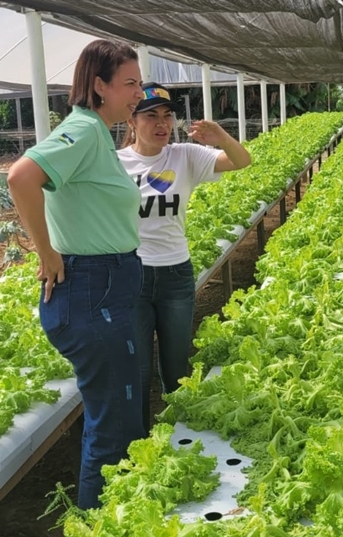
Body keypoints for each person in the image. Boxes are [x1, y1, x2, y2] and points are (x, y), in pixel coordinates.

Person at [7, 40, 146, 510]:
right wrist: (45, 253)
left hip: (105, 288)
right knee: (111, 424)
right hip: (92, 291)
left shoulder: (99, 135)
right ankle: (97, 532)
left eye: (139, 82)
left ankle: (116, 518)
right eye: (130, 83)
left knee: (120, 413)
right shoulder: (84, 130)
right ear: (98, 85)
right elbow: (21, 177)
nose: (138, 93)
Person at [117, 82, 251, 431]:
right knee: (139, 367)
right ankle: (142, 440)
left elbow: (242, 161)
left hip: (175, 273)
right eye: (151, 116)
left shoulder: (185, 155)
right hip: (132, 275)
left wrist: (220, 135)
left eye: (167, 115)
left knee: (177, 366)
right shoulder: (115, 163)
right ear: (131, 121)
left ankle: (179, 438)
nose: (162, 123)